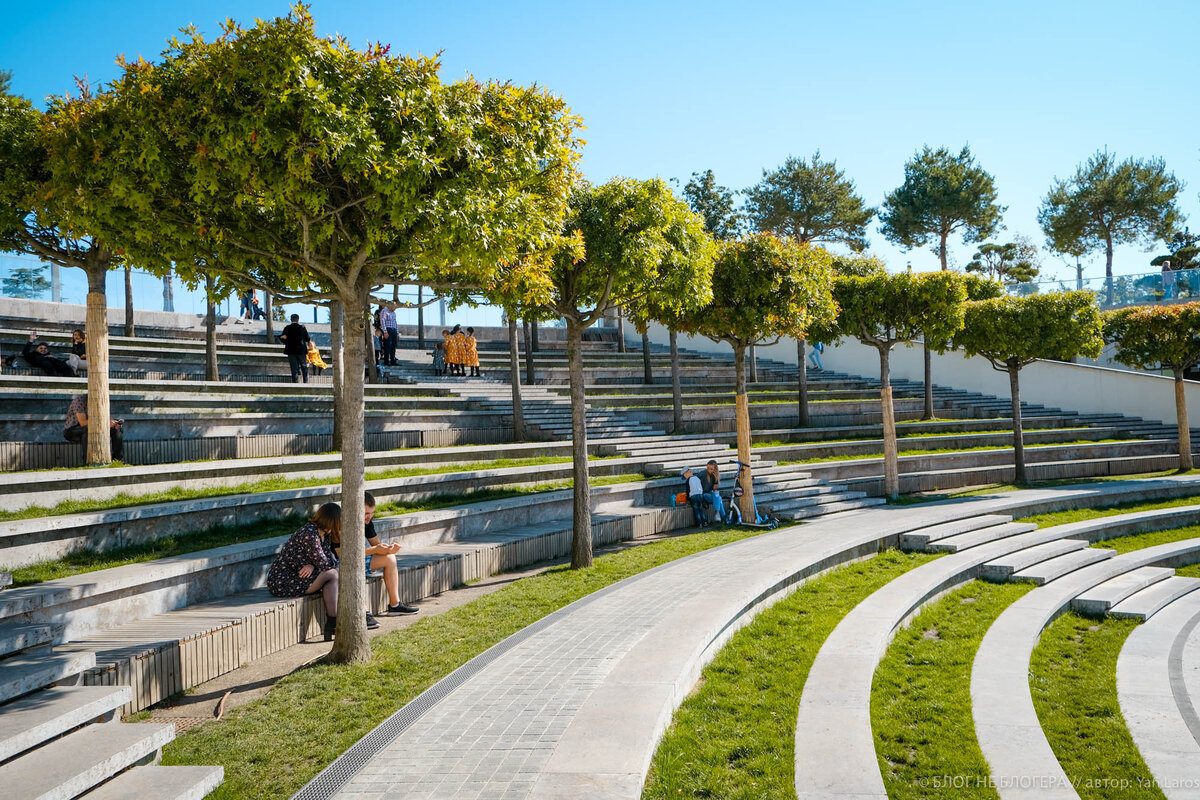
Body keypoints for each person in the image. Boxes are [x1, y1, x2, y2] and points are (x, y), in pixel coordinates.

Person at [266, 503, 349, 641]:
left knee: (333, 575)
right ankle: (332, 622)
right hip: (283, 580)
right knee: (333, 574)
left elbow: (330, 560)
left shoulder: (324, 535)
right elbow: (325, 563)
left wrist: (313, 566)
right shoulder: (310, 533)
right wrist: (316, 566)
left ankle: (332, 623)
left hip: (302, 578)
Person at [356, 492, 418, 615]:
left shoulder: (367, 523)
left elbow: (377, 545)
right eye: (366, 514)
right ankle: (362, 613)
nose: (369, 517)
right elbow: (345, 555)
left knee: (390, 558)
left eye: (372, 513)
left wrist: (389, 549)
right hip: (338, 564)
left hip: (357, 560)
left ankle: (395, 605)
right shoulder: (344, 524)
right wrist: (375, 550)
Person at [63, 393, 124, 460]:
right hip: (72, 429)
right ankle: (88, 461)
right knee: (87, 429)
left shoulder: (102, 401)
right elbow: (82, 422)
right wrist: (103, 421)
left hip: (96, 427)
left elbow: (107, 418)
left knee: (118, 428)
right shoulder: (79, 401)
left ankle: (117, 460)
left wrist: (112, 424)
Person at [280, 314, 311, 383]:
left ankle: (295, 382)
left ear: (291, 319)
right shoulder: (302, 327)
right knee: (304, 367)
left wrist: (287, 342)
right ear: (298, 319)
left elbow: (282, 338)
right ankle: (306, 382)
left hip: (291, 350)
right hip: (301, 350)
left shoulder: (287, 328)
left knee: (294, 368)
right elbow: (307, 338)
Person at [699, 459, 728, 525]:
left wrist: (715, 480)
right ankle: (723, 517)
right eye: (708, 468)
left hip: (711, 494)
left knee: (717, 496)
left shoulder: (715, 475)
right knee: (719, 498)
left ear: (715, 469)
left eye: (711, 469)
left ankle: (719, 515)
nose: (709, 470)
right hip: (704, 494)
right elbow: (694, 479)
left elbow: (714, 489)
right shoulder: (703, 474)